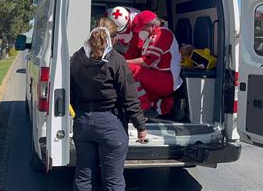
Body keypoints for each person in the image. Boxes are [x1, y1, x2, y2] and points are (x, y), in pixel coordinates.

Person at [70, 17, 147, 191]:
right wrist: (140, 126)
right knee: (113, 181)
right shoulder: (117, 60)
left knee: (83, 177)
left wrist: (80, 112)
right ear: (114, 39)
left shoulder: (77, 57)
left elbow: (71, 93)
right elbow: (130, 97)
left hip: (83, 122)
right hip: (110, 125)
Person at [126, 10, 183, 116]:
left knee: (127, 68)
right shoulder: (153, 36)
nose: (140, 31)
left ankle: (145, 108)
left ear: (151, 25)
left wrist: (122, 62)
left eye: (142, 28)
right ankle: (163, 105)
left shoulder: (162, 34)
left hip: (166, 79)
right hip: (160, 78)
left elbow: (146, 62)